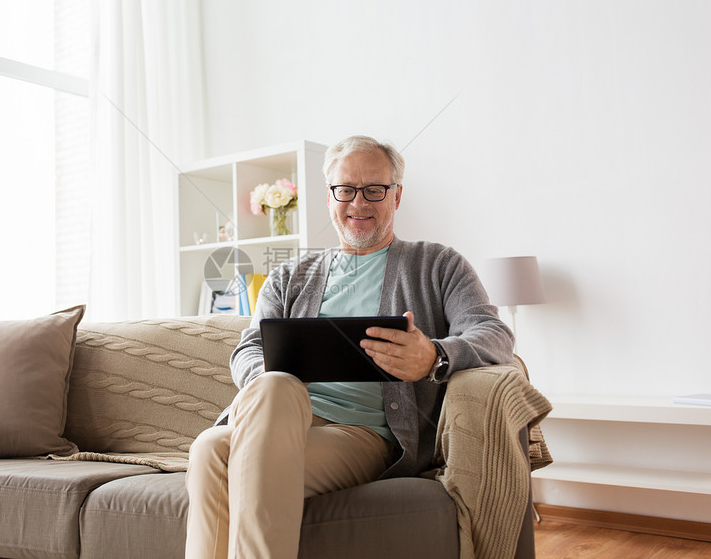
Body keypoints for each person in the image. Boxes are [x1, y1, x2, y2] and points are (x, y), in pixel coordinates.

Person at [185, 135, 514, 559]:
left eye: (374, 189)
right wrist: (275, 378)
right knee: (217, 439)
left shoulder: (437, 264)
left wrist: (434, 356)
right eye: (346, 190)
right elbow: (247, 351)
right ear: (329, 197)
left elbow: (494, 334)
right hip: (276, 417)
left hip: (362, 436)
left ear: (396, 196)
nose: (359, 202)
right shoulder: (289, 275)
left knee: (215, 450)